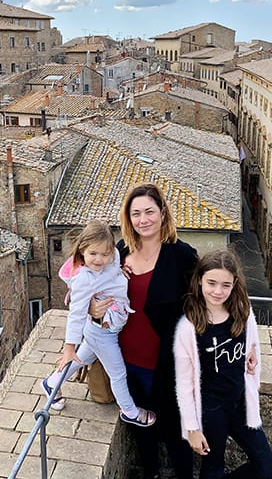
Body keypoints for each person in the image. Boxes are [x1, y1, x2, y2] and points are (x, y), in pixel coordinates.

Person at [91, 183, 198, 479]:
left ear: (163, 213)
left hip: (167, 364)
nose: (143, 219)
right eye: (136, 213)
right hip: (126, 363)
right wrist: (92, 310)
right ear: (128, 218)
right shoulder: (117, 254)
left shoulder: (182, 256)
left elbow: (203, 307)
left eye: (149, 211)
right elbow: (89, 288)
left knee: (178, 436)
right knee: (143, 434)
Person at [173, 249, 272, 479]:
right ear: (199, 280)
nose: (218, 291)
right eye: (211, 283)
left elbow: (251, 342)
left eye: (225, 285)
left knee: (268, 468)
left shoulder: (243, 310)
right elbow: (183, 384)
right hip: (211, 410)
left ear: (234, 284)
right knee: (213, 470)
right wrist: (192, 429)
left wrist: (250, 352)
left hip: (240, 403)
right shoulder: (189, 327)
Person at [42, 219, 156, 427]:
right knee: (118, 373)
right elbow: (76, 314)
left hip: (104, 329)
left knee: (81, 360)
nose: (99, 259)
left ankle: (51, 383)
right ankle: (129, 411)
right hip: (102, 333)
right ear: (82, 250)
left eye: (105, 254)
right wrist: (69, 347)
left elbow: (111, 270)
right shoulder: (84, 279)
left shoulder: (114, 259)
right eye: (93, 253)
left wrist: (117, 272)